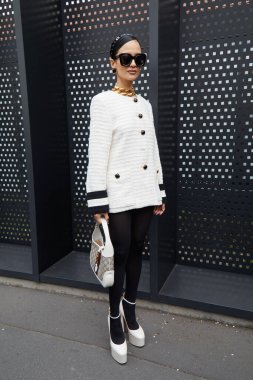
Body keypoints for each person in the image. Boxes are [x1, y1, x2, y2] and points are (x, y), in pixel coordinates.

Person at [85, 33, 166, 364]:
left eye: (138, 59)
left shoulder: (144, 104)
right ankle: (114, 318)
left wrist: (159, 190)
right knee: (117, 256)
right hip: (117, 194)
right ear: (113, 62)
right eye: (126, 58)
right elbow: (97, 153)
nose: (133, 64)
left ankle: (131, 310)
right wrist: (97, 201)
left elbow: (153, 150)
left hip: (144, 190)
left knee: (136, 250)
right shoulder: (102, 102)